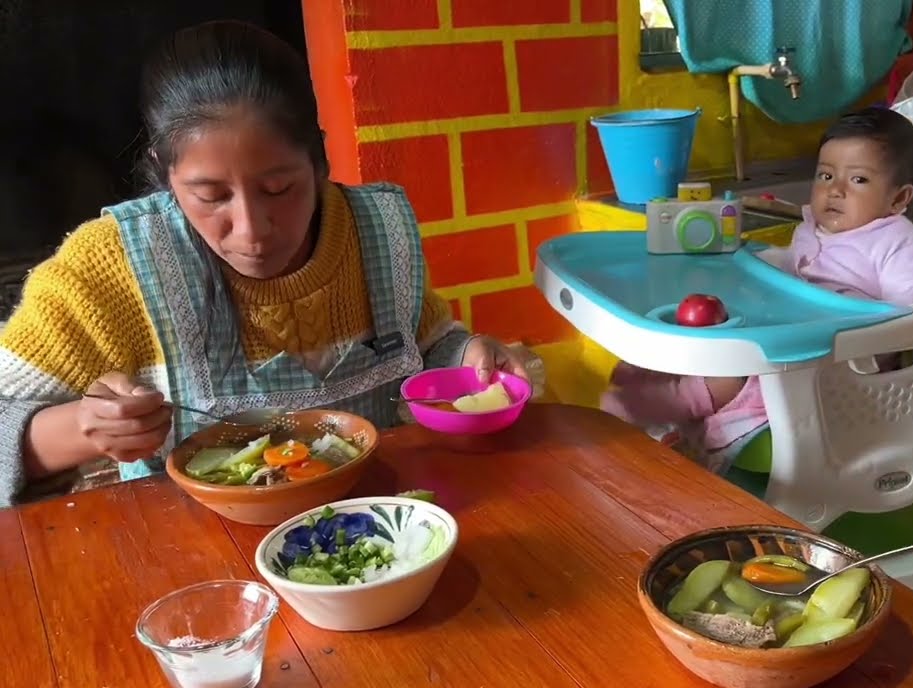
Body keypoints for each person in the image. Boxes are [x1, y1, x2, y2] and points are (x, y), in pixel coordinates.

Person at [0, 20, 527, 507]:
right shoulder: (110, 269)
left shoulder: (375, 234)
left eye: (280, 189)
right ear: (165, 175)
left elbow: (429, 345)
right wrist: (83, 428)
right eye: (210, 195)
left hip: (375, 532)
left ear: (319, 161)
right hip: (201, 563)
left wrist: (468, 356)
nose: (252, 230)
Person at [600, 107, 913, 471]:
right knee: (715, 329)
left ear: (899, 199)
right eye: (825, 174)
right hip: (792, 329)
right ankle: (653, 379)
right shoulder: (812, 228)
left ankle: (674, 407)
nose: (834, 190)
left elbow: (907, 318)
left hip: (841, 360)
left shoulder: (896, 241)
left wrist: (844, 313)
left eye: (858, 181)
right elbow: (791, 268)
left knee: (738, 363)